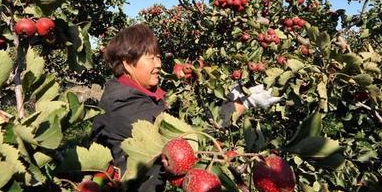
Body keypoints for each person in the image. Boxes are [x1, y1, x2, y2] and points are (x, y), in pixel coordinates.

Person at [91, 23, 281, 173]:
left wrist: (225, 102)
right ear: (128, 64)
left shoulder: (133, 92)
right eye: (151, 58)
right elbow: (183, 145)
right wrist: (242, 105)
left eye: (158, 57)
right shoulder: (124, 103)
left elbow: (174, 120)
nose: (158, 64)